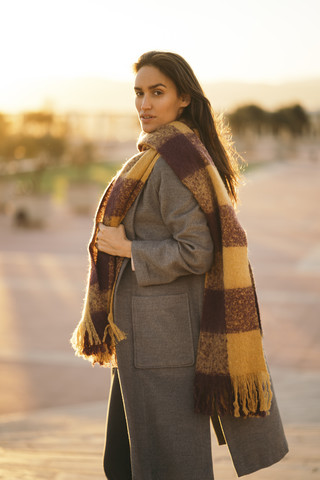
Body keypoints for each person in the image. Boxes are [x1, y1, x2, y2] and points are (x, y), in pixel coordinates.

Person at [71, 51, 288, 480]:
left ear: (183, 98)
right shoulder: (167, 152)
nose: (144, 105)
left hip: (161, 339)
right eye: (139, 94)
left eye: (157, 92)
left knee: (154, 464)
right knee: (132, 462)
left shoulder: (172, 161)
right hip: (145, 335)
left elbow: (198, 250)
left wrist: (127, 246)